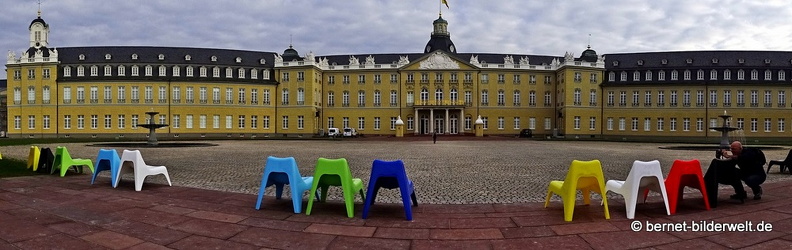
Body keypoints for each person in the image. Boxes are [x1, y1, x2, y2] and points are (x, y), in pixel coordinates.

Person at [704, 141, 766, 205]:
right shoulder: (737, 155)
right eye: (731, 149)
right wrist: (721, 154)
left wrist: (728, 156)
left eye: (734, 149)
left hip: (758, 175)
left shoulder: (749, 152)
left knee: (749, 180)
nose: (732, 150)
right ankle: (741, 193)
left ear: (740, 148)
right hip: (746, 173)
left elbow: (742, 158)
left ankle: (757, 191)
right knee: (733, 173)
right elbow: (731, 162)